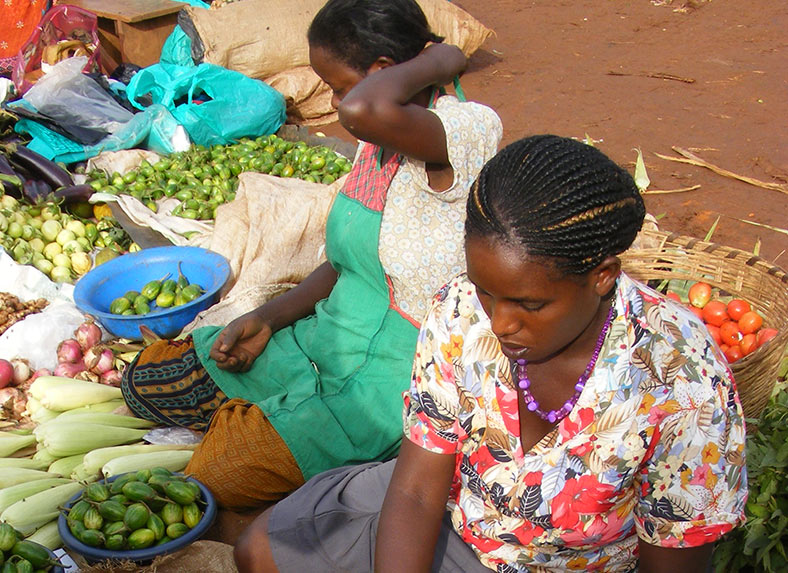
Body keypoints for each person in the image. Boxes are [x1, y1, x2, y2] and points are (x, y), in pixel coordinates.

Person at [233, 134, 748, 572]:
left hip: (564, 562)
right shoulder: (460, 309)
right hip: (453, 507)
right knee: (259, 551)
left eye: (530, 304)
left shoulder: (682, 380)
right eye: (487, 290)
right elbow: (415, 493)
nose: (499, 323)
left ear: (603, 277)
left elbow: (674, 558)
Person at [120, 0, 503, 511]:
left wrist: (446, 56)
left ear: (385, 73)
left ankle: (298, 443)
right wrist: (268, 318)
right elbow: (348, 260)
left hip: (395, 376)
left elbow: (363, 107)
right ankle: (274, 421)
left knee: (219, 475)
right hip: (328, 337)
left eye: (340, 86)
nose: (337, 103)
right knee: (147, 383)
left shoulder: (462, 128)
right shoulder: (378, 143)